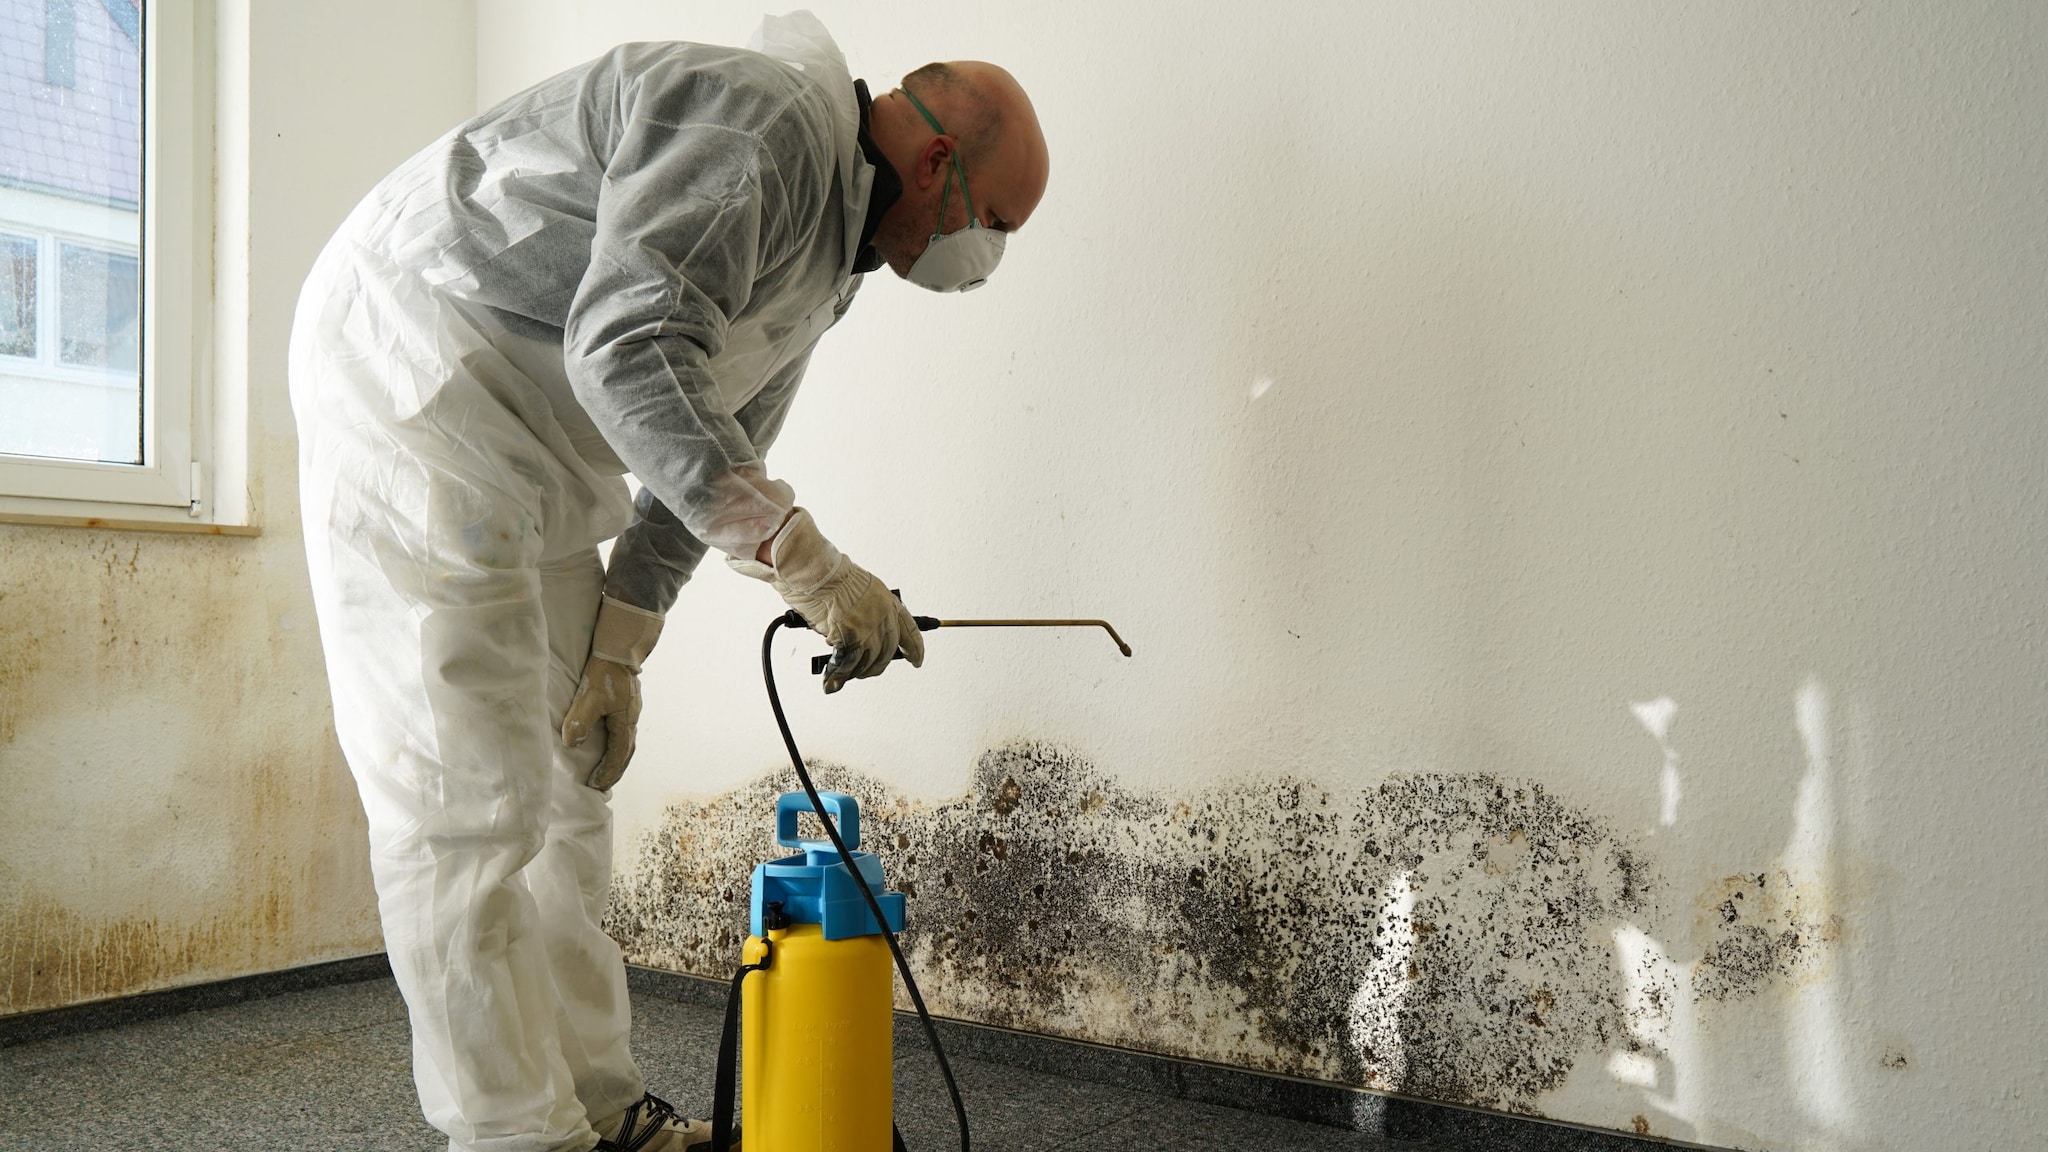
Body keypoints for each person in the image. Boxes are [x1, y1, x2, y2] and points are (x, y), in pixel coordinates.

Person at [286, 12, 1048, 1151]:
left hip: (535, 448)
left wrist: (619, 651)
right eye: (990, 224)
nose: (979, 259)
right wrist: (806, 563)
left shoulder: (829, 262)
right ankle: (515, 1132)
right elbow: (625, 350)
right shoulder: (762, 131)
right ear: (937, 161)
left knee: (566, 794)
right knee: (467, 806)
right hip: (421, 383)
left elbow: (709, 446)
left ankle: (599, 1104)